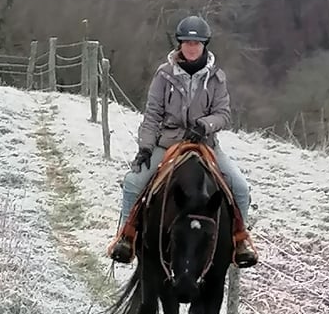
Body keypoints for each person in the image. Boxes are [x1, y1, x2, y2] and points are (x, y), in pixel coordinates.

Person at [107, 15, 258, 268]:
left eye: (196, 43)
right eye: (187, 42)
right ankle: (126, 237)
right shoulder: (164, 76)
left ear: (204, 45)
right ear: (179, 45)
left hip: (205, 145)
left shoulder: (216, 78)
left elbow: (223, 114)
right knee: (133, 182)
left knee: (240, 188)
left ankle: (240, 241)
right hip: (168, 143)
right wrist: (145, 147)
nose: (191, 47)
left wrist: (204, 125)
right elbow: (152, 114)